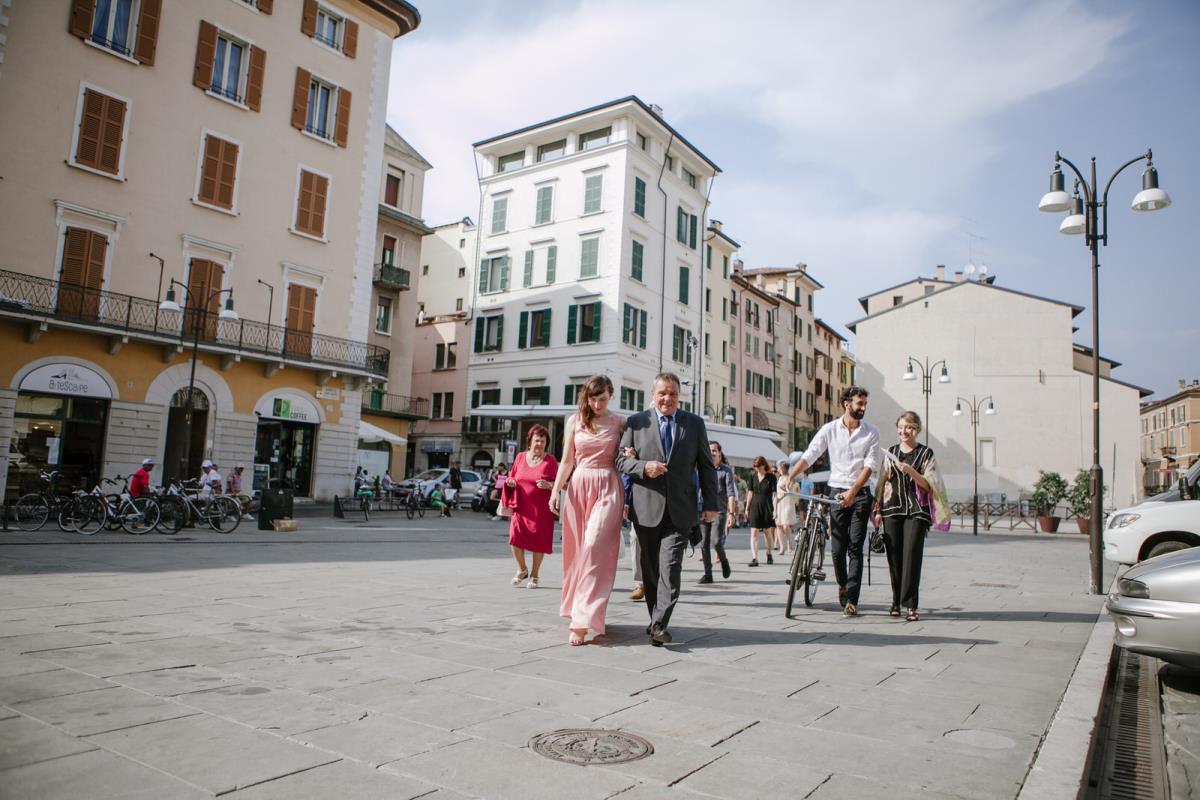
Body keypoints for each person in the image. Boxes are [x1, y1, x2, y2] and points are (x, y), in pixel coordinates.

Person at [616, 372, 719, 647]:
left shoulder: (694, 424)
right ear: (653, 395)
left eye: (673, 393)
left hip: (680, 511)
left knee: (671, 568)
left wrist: (711, 504)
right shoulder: (636, 423)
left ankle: (660, 623)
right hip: (646, 508)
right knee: (650, 571)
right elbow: (621, 462)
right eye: (663, 393)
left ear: (679, 396)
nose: (668, 398)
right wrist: (643, 467)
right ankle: (655, 619)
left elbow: (706, 466)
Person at [788, 386, 881, 617]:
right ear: (847, 404)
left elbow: (871, 466)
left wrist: (853, 492)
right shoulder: (829, 429)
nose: (863, 408)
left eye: (864, 404)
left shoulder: (871, 432)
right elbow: (810, 454)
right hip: (836, 490)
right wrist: (789, 477)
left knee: (855, 547)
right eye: (859, 403)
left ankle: (851, 599)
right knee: (838, 549)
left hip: (860, 493)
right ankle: (842, 583)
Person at [549, 375, 625, 646]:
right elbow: (567, 460)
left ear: (610, 396)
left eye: (602, 398)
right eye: (593, 398)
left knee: (594, 548)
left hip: (607, 486)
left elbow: (630, 456)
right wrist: (556, 490)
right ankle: (580, 608)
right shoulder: (574, 420)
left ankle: (581, 620)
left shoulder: (620, 422)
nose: (596, 404)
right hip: (578, 487)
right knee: (577, 553)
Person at [875, 412, 938, 622]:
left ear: (917, 429)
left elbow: (929, 484)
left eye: (909, 427)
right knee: (894, 557)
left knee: (911, 556)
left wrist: (911, 471)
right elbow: (882, 482)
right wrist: (877, 510)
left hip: (917, 511)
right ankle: (895, 601)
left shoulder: (926, 454)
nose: (904, 431)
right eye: (901, 427)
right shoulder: (891, 452)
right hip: (891, 510)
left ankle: (910, 605)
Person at [502, 425, 559, 589]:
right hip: (521, 507)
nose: (540, 444)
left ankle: (534, 575)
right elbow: (511, 476)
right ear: (530, 441)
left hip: (541, 510)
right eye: (537, 440)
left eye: (543, 440)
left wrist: (549, 484)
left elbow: (562, 483)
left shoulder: (550, 461)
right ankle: (522, 569)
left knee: (538, 542)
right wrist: (510, 481)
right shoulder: (520, 457)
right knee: (514, 538)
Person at [698, 441, 737, 583]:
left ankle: (724, 561)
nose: (712, 453)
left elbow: (731, 494)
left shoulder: (725, 470)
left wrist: (731, 514)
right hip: (703, 510)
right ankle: (708, 574)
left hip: (719, 512)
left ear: (720, 453)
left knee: (715, 541)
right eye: (709, 450)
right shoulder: (702, 468)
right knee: (703, 543)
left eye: (714, 450)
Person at [745, 456, 776, 566]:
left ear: (763, 465)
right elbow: (750, 493)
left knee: (767, 533)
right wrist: (747, 508)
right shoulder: (752, 477)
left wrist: (775, 510)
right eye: (754, 466)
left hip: (767, 507)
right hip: (754, 507)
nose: (756, 468)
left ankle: (769, 553)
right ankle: (755, 558)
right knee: (754, 533)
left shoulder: (771, 477)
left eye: (757, 466)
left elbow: (774, 495)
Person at [620, 473, 645, 600]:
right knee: (635, 538)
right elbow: (628, 471)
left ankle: (658, 582)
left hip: (666, 499)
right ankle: (640, 584)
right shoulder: (633, 452)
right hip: (640, 501)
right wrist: (625, 501)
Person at [774, 459, 799, 558]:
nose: (778, 469)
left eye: (779, 467)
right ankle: (781, 547)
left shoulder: (790, 478)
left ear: (783, 468)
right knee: (779, 525)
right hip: (779, 503)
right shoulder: (779, 479)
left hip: (787, 501)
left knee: (785, 525)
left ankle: (789, 542)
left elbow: (789, 490)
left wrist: (783, 492)